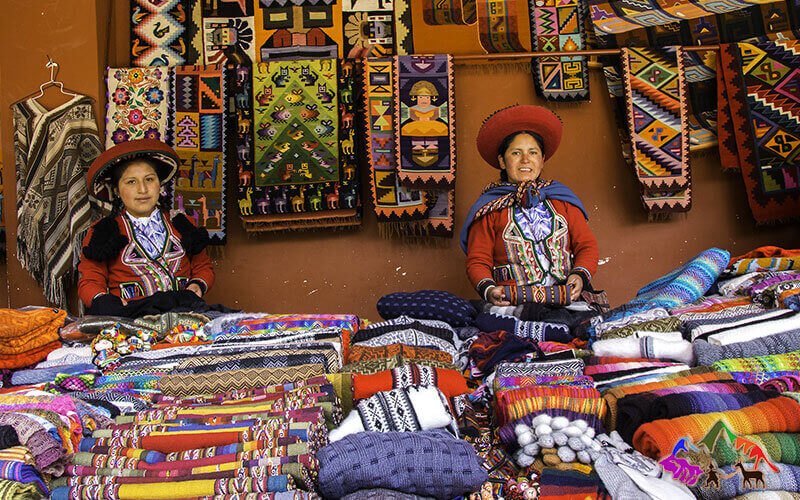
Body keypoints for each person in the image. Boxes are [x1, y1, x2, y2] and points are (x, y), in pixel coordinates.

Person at [460, 105, 598, 307]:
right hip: (513, 302)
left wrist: (579, 275)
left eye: (533, 152)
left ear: (542, 160)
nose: (525, 159)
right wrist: (489, 290)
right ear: (502, 161)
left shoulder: (562, 201)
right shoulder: (490, 209)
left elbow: (587, 246)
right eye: (516, 153)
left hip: (567, 299)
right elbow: (478, 260)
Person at [78, 139, 215, 313]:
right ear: (117, 190)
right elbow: (90, 280)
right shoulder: (104, 231)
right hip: (130, 320)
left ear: (160, 185)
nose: (142, 189)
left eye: (149, 179)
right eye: (131, 182)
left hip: (185, 318)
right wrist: (104, 300)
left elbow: (202, 267)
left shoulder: (182, 223)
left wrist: (197, 285)